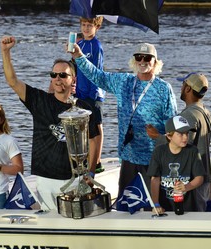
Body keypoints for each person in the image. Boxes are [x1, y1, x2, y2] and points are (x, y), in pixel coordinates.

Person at [0, 35, 99, 210]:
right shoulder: (39, 100)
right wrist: (5, 52)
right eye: (54, 75)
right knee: (51, 223)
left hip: (75, 178)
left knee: (75, 223)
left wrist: (90, 173)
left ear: (73, 79)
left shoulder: (85, 107)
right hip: (45, 177)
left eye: (63, 75)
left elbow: (94, 140)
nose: (58, 79)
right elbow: (12, 81)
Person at [70, 42, 177, 199]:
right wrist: (79, 56)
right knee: (126, 205)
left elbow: (172, 125)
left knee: (153, 206)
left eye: (147, 58)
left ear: (155, 62)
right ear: (134, 60)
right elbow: (97, 76)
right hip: (128, 156)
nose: (142, 61)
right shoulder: (123, 82)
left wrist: (164, 142)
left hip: (154, 158)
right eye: (138, 57)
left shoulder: (164, 88)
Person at [148, 116, 205, 214]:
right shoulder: (159, 151)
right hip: (164, 207)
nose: (185, 137)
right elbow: (155, 179)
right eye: (180, 134)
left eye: (187, 133)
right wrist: (156, 204)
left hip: (188, 208)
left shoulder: (193, 151)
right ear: (169, 136)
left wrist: (186, 187)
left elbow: (199, 177)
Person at [176, 72, 211, 212]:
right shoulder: (205, 111)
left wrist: (157, 137)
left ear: (188, 89)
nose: (181, 87)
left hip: (191, 179)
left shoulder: (188, 115)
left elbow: (182, 145)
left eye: (183, 84)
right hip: (204, 177)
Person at [75, 16, 106, 173]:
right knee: (85, 129)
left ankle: (97, 161)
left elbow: (97, 71)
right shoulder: (79, 44)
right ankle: (88, 159)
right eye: (84, 25)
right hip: (80, 92)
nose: (86, 28)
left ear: (97, 27)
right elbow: (75, 69)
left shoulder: (96, 45)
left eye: (90, 25)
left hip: (94, 92)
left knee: (96, 127)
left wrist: (95, 93)